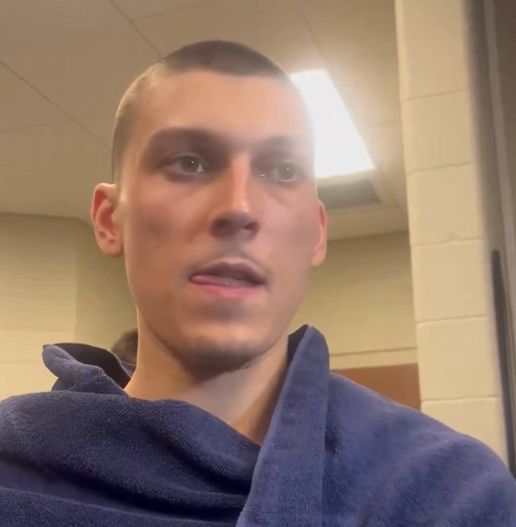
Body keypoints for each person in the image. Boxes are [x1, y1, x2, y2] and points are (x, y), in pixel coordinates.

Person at [0, 40, 515, 526]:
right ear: (110, 220)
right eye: (189, 163)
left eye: (283, 170)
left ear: (316, 233)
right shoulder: (13, 469)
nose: (239, 208)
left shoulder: (449, 491)